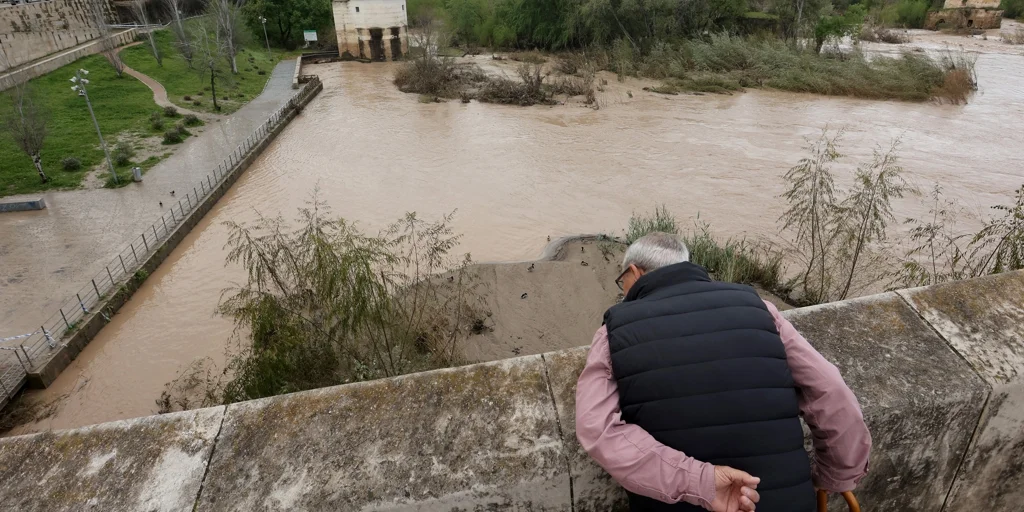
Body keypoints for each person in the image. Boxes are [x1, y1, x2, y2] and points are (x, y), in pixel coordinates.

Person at [576, 232, 871, 512]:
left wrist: (700, 481)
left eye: (622, 281)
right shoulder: (758, 307)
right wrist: (834, 476)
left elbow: (597, 428)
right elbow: (830, 390)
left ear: (634, 272)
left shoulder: (615, 329)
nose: (623, 290)